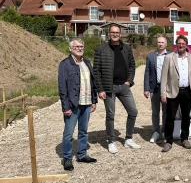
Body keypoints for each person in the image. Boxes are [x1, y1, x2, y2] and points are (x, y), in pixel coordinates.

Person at [93, 24, 140, 154]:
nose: (115, 34)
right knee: (110, 115)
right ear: (109, 34)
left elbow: (132, 66)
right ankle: (111, 141)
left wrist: (129, 81)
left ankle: (129, 139)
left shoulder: (126, 48)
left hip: (124, 86)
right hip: (109, 88)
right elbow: (96, 71)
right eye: (112, 32)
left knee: (133, 111)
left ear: (120, 34)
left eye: (117, 32)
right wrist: (100, 89)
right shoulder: (101, 49)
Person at [58, 38, 97, 171]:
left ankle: (82, 154)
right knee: (68, 133)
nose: (80, 48)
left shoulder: (86, 62)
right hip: (73, 104)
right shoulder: (65, 64)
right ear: (70, 49)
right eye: (77, 47)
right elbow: (62, 87)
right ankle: (67, 158)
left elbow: (92, 82)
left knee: (83, 131)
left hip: (86, 102)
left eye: (81, 46)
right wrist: (65, 106)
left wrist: (94, 100)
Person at [160, 35, 191, 152]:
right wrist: (163, 93)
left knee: (186, 117)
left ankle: (184, 139)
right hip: (172, 92)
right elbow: (164, 77)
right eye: (179, 43)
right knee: (170, 117)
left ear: (186, 45)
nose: (181, 45)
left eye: (183, 43)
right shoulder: (169, 57)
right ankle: (169, 141)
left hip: (187, 91)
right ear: (176, 44)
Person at [144, 36, 169, 143]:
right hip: (154, 87)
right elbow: (147, 73)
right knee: (155, 111)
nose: (160, 44)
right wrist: (146, 88)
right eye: (158, 42)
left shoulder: (171, 56)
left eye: (162, 42)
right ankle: (156, 131)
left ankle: (164, 131)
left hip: (167, 89)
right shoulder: (150, 56)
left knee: (166, 111)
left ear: (166, 44)